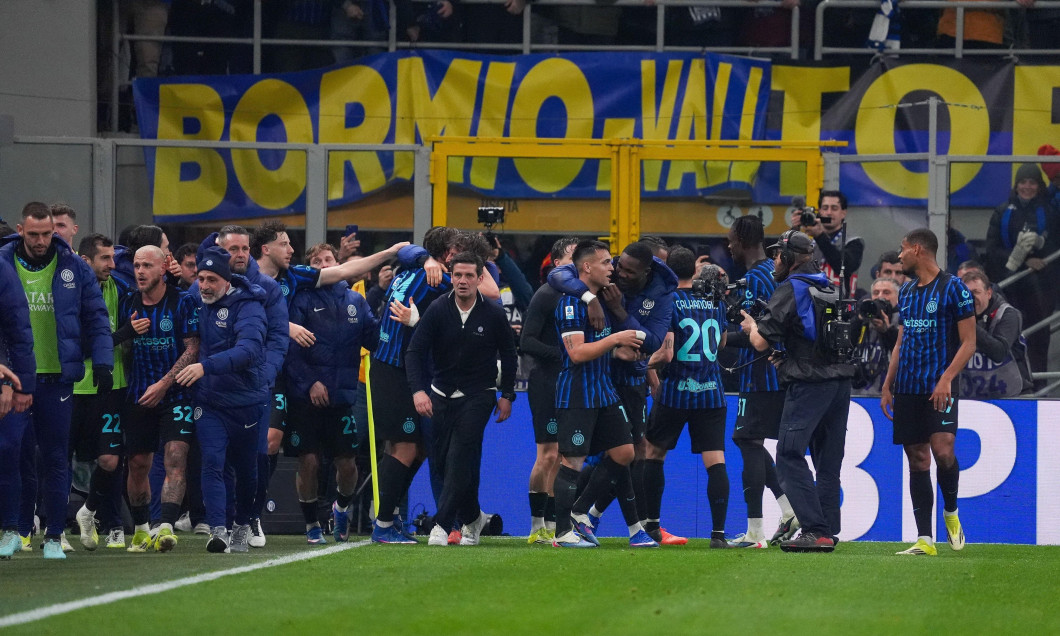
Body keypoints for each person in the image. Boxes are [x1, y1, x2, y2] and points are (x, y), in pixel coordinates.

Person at [0, 202, 113, 560]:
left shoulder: (74, 268)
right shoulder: (4, 265)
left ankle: (52, 534)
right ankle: (13, 530)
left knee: (55, 457)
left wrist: (104, 362)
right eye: (32, 234)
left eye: (46, 233)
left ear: (54, 231)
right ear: (20, 230)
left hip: (57, 377)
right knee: (10, 453)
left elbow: (96, 316)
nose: (39, 240)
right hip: (16, 377)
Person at [548, 241, 676, 537]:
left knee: (625, 452)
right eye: (610, 264)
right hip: (579, 389)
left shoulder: (660, 292)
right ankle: (564, 532)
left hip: (607, 387)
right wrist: (613, 336)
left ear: (646, 272)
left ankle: (586, 514)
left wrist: (618, 320)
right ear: (589, 267)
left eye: (624, 269)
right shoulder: (572, 301)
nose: (616, 271)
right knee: (573, 460)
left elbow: (652, 342)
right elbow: (577, 353)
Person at [740, 229, 855, 553]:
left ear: (790, 258)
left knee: (789, 453)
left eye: (778, 254)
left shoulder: (790, 287)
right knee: (827, 462)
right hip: (839, 381)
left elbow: (761, 341)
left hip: (809, 383)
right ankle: (829, 529)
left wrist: (751, 328)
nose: (775, 259)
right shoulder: (828, 285)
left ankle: (815, 530)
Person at [84, 246, 200, 553]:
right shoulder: (128, 303)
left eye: (147, 265)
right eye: (136, 265)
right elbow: (118, 343)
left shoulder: (182, 301)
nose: (140, 271)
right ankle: (142, 529)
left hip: (176, 393)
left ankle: (166, 527)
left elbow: (192, 349)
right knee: (137, 465)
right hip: (137, 395)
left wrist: (164, 383)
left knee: (176, 456)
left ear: (163, 269)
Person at [406, 252, 518, 546]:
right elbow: (415, 352)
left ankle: (441, 526)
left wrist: (507, 394)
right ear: (451, 277)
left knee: (459, 456)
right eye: (458, 275)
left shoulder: (493, 313)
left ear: (481, 279)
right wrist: (419, 390)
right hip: (441, 394)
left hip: (478, 395)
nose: (463, 281)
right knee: (444, 465)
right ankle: (473, 519)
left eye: (470, 276)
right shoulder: (437, 309)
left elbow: (509, 354)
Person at [881, 228, 976, 556]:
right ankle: (925, 539)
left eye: (902, 249)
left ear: (918, 249)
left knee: (943, 450)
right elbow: (900, 341)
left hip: (940, 386)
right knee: (917, 458)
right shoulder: (905, 292)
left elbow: (969, 342)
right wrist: (887, 385)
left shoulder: (954, 289)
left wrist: (947, 378)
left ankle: (951, 512)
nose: (899, 255)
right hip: (907, 387)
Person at [283, 243, 380, 544]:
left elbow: (374, 339)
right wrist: (310, 382)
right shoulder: (301, 298)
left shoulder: (356, 300)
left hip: (341, 399)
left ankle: (342, 508)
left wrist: (390, 313)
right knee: (309, 462)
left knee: (348, 465)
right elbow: (289, 350)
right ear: (311, 268)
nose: (323, 264)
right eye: (316, 261)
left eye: (328, 259)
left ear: (338, 263)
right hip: (305, 398)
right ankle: (312, 524)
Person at [175, 247, 268, 554]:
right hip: (209, 401)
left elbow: (249, 351)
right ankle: (218, 530)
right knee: (212, 462)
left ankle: (242, 522)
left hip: (245, 402)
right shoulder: (193, 303)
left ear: (226, 281)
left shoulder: (249, 306)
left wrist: (206, 365)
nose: (204, 285)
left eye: (211, 279)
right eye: (200, 278)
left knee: (246, 471)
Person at [369, 226, 458, 544]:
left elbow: (404, 249)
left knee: (415, 449)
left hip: (390, 367)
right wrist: (427, 261)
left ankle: (389, 517)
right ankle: (381, 525)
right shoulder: (441, 279)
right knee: (405, 448)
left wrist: (423, 258)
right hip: (395, 369)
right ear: (447, 254)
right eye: (457, 250)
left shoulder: (412, 265)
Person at [205, 225, 289, 549]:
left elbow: (278, 338)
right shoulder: (205, 286)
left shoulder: (266, 288)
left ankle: (250, 516)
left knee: (256, 456)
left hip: (255, 386)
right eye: (231, 249)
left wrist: (264, 376)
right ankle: (224, 523)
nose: (239, 255)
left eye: (244, 248)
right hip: (217, 388)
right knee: (219, 457)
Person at [644, 256, 730, 549]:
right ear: (694, 271)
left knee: (654, 454)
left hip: (675, 392)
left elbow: (666, 354)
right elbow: (721, 345)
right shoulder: (716, 302)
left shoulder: (670, 301)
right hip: (711, 392)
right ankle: (718, 535)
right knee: (715, 461)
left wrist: (643, 366)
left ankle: (652, 526)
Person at [723, 216, 798, 548]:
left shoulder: (754, 279)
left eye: (730, 239)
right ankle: (788, 508)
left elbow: (759, 333)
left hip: (759, 373)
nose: (728, 246)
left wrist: (722, 339)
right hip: (779, 372)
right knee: (750, 442)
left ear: (742, 239)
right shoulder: (773, 271)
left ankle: (756, 532)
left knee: (747, 441)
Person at [69, 234, 131, 551]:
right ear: (85, 260)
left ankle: (99, 517)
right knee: (59, 459)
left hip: (111, 387)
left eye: (112, 257)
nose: (112, 264)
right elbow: (85, 343)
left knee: (110, 459)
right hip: (74, 386)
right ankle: (47, 529)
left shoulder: (118, 288)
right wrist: (124, 333)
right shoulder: (70, 292)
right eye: (105, 258)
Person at [519, 237, 578, 544]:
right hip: (545, 382)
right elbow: (526, 341)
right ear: (557, 263)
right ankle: (535, 525)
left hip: (570, 383)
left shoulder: (581, 296)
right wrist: (564, 352)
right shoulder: (546, 293)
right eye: (573, 256)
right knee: (548, 454)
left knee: (563, 455)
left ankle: (555, 524)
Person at [984, 163, 1058, 376]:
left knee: (1039, 338)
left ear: (1039, 185)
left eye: (1032, 182)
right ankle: (1010, 384)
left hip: (1041, 289)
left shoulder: (1049, 210)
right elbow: (991, 249)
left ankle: (1038, 385)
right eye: (1023, 182)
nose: (1027, 187)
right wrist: (1020, 259)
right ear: (1016, 185)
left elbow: (1055, 244)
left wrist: (1041, 247)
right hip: (1009, 288)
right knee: (1007, 335)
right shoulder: (1002, 210)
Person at [0, 250, 35, 559]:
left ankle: (11, 529)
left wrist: (14, 384)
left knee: (8, 449)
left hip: (5, 377)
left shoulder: (2, 272)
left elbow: (18, 331)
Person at [959, 270, 1032, 399]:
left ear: (988, 293)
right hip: (971, 399)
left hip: (1014, 398)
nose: (971, 297)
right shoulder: (955, 317)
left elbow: (999, 352)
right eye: (966, 293)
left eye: (976, 292)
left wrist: (968, 322)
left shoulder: (1008, 314)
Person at [790, 190, 864, 297]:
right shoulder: (810, 243)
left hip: (840, 306)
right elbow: (788, 266)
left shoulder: (854, 242)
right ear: (819, 211)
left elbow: (843, 267)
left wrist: (820, 236)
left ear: (843, 213)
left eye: (834, 208)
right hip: (810, 303)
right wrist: (794, 231)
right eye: (825, 208)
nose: (829, 212)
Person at [851, 278, 901, 397]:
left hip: (888, 395)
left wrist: (887, 331)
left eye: (886, 292)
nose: (880, 297)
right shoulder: (863, 319)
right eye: (876, 293)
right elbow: (846, 344)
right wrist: (859, 320)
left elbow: (904, 353)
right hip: (858, 395)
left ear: (898, 297)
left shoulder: (903, 322)